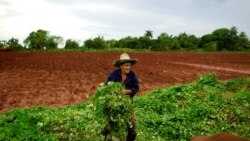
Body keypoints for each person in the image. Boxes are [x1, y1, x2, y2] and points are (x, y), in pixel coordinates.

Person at [102, 53, 139, 141]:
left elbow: (136, 88)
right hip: (114, 104)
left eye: (129, 65)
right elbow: (107, 86)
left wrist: (126, 91)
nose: (128, 67)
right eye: (126, 65)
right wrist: (109, 90)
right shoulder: (113, 75)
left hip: (127, 104)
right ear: (121, 66)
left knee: (132, 126)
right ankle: (106, 134)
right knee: (111, 125)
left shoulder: (132, 75)